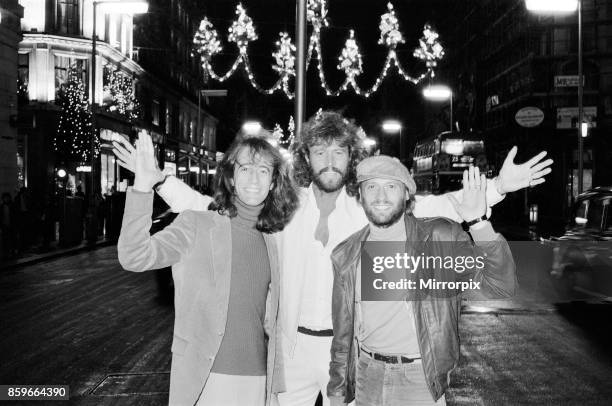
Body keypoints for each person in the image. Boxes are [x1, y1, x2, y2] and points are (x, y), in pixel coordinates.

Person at [113, 111, 552, 406]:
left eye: (338, 151)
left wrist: (498, 188)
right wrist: (153, 184)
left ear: (350, 157)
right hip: (291, 347)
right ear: (305, 156)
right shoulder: (282, 206)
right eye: (319, 151)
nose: (328, 160)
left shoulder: (370, 208)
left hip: (350, 351)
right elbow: (212, 209)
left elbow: (444, 204)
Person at [117, 132, 298, 406]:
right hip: (206, 376)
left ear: (273, 182)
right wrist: (142, 187)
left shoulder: (270, 239)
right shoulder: (196, 225)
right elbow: (134, 256)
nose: (253, 179)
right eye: (245, 168)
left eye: (263, 171)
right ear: (231, 177)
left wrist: (273, 387)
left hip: (257, 378)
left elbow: (268, 319)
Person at [327, 157, 516, 406]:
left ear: (407, 194)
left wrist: (479, 224)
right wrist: (338, 393)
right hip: (367, 376)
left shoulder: (439, 237)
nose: (380, 196)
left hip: (418, 378)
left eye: (392, 186)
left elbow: (499, 285)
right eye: (371, 187)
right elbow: (342, 336)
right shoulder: (346, 254)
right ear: (360, 196)